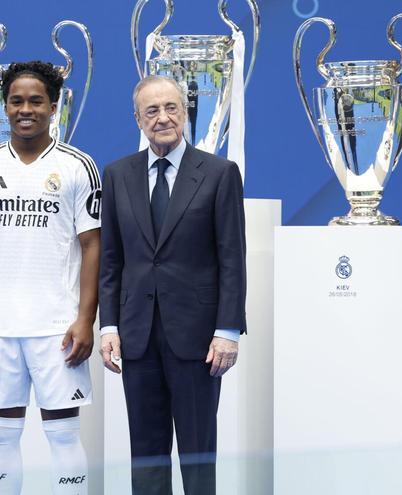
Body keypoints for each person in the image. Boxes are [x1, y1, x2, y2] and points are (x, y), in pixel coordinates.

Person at [0, 61, 101, 495]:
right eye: (16, 101)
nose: (25, 110)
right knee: (0, 436)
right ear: (4, 107)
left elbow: (93, 246)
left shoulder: (78, 166)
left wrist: (85, 319)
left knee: (64, 435)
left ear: (54, 107)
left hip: (58, 328)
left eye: (36, 101)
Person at [98, 75, 246, 495]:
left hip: (199, 340)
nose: (162, 118)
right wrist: (109, 326)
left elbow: (232, 259)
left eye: (171, 108)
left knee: (198, 453)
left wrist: (228, 330)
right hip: (137, 336)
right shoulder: (117, 175)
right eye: (152, 110)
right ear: (138, 119)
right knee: (146, 454)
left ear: (184, 112)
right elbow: (111, 259)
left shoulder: (219, 173)